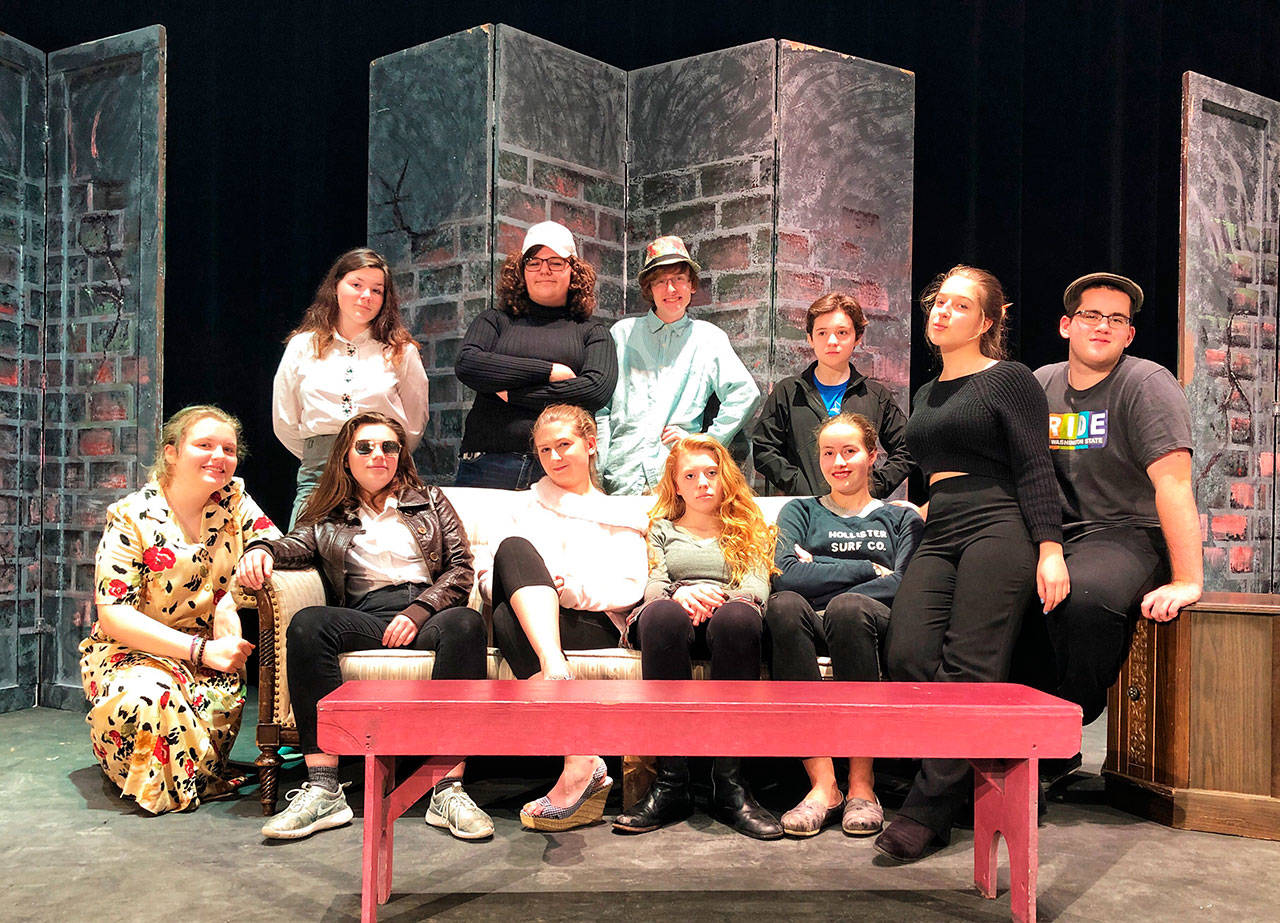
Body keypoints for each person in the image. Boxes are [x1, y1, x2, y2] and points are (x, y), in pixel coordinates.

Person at [875, 265, 1068, 862]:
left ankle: (928, 809)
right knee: (906, 652)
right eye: (938, 302)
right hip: (941, 523)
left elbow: (1036, 466)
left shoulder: (1009, 379)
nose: (942, 312)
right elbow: (922, 468)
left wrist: (1050, 548)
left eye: (960, 306)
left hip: (999, 521)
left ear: (987, 322)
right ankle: (962, 777)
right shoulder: (927, 394)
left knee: (970, 663)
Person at [237, 412, 489, 841]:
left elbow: (461, 567)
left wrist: (420, 610)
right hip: (367, 614)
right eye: (366, 447)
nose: (379, 455)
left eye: (389, 447)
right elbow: (295, 545)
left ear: (400, 456)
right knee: (308, 624)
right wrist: (261, 547)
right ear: (346, 458)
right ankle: (323, 788)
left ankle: (446, 786)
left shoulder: (429, 499)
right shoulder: (330, 512)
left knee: (466, 624)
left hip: (428, 614)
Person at [1022, 272, 1200, 745]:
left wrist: (1187, 580)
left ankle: (1067, 725)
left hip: (1128, 533)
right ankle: (1008, 731)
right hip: (1056, 535)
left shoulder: (1146, 384)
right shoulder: (1041, 384)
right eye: (1091, 315)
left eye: (1116, 319)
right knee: (995, 589)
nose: (1102, 326)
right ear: (1066, 325)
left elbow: (1175, 485)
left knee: (1084, 597)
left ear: (1129, 334)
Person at [80, 405, 280, 814]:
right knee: (153, 699)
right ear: (171, 452)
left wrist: (231, 594)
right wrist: (199, 651)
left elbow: (277, 543)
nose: (219, 457)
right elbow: (113, 614)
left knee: (197, 713)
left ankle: (171, 770)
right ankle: (135, 767)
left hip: (211, 658)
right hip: (134, 652)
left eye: (228, 448)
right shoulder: (131, 517)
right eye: (204, 445)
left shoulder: (234, 501)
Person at [478, 403, 648, 830]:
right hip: (533, 626)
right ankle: (578, 755)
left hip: (593, 626)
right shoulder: (522, 507)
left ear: (591, 445)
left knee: (506, 616)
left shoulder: (622, 513)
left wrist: (567, 591)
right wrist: (532, 587)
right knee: (513, 561)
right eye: (544, 450)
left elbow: (629, 588)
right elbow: (486, 575)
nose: (554, 458)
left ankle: (577, 760)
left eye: (564, 445)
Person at [613, 435, 783, 840]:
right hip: (675, 617)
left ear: (725, 477)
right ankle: (672, 784)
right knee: (661, 616)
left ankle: (730, 786)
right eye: (690, 475)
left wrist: (722, 599)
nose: (703, 482)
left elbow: (758, 586)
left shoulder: (750, 525)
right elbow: (654, 585)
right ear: (676, 484)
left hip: (730, 618)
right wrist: (680, 592)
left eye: (711, 473)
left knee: (740, 619)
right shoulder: (662, 528)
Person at [766, 413, 923, 836]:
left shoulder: (901, 519)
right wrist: (867, 568)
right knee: (782, 606)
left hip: (868, 624)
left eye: (850, 451)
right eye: (828, 453)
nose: (839, 462)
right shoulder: (800, 511)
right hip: (812, 621)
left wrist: (822, 567)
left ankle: (862, 785)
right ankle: (823, 786)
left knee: (849, 609)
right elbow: (784, 575)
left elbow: (905, 585)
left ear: (872, 456)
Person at [454, 221, 618, 489]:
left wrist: (515, 393)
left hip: (561, 467)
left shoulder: (592, 331)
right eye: (534, 261)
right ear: (521, 269)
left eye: (555, 262)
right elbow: (468, 364)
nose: (544, 270)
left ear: (573, 271)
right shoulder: (494, 321)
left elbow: (595, 390)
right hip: (489, 464)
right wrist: (550, 372)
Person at [272, 247, 428, 526]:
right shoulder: (302, 346)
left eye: (377, 290)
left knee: (387, 562)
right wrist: (330, 452)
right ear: (336, 287)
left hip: (384, 474)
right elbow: (285, 421)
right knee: (303, 563)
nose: (366, 296)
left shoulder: (401, 351)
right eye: (356, 285)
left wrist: (378, 453)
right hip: (320, 473)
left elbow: (414, 425)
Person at [596, 235, 760, 494]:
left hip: (675, 478)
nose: (670, 289)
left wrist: (706, 444)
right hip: (621, 473)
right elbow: (601, 407)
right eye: (660, 281)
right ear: (649, 288)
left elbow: (745, 394)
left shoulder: (708, 338)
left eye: (678, 279)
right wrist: (597, 467)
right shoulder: (622, 334)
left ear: (691, 285)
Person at [753, 291, 912, 498]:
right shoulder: (789, 392)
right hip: (805, 509)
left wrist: (874, 487)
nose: (832, 341)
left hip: (859, 515)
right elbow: (764, 449)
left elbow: (908, 447)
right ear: (810, 338)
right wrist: (798, 484)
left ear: (858, 338)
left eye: (842, 333)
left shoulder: (875, 395)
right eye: (822, 333)